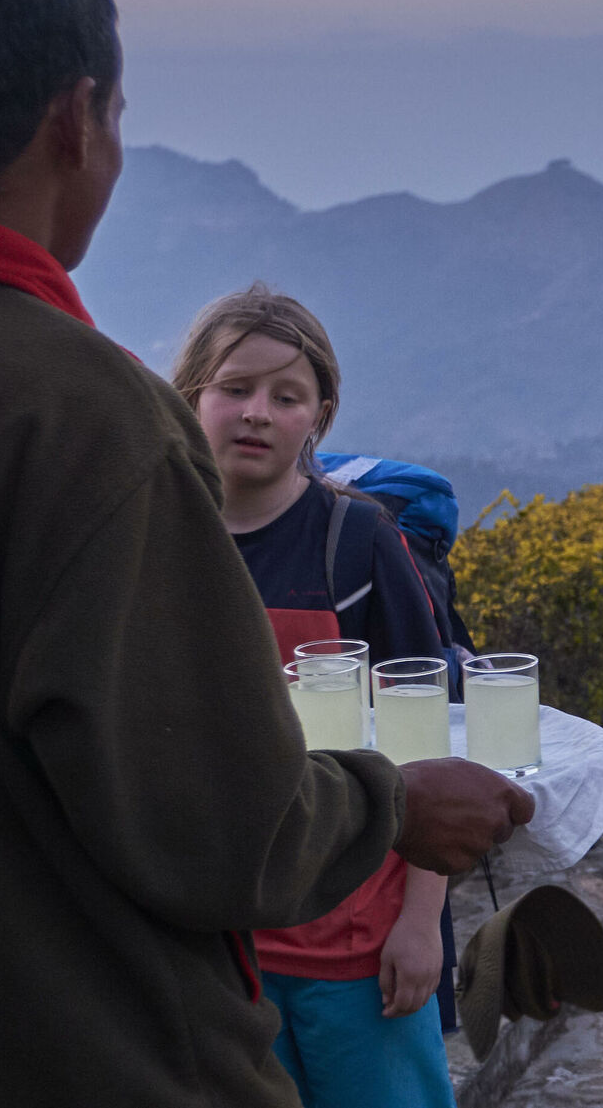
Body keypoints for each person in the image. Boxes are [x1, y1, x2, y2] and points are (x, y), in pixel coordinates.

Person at [0, 0, 531, 1105]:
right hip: (75, 1051)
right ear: (77, 119)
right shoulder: (84, 411)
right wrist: (396, 803)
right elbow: (215, 817)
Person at [174, 286, 462, 1108]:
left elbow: (426, 732)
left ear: (319, 417)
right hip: (221, 949)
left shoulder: (358, 542)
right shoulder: (163, 540)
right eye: (234, 387)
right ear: (192, 395)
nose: (256, 411)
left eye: (286, 395)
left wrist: (420, 923)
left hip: (357, 945)